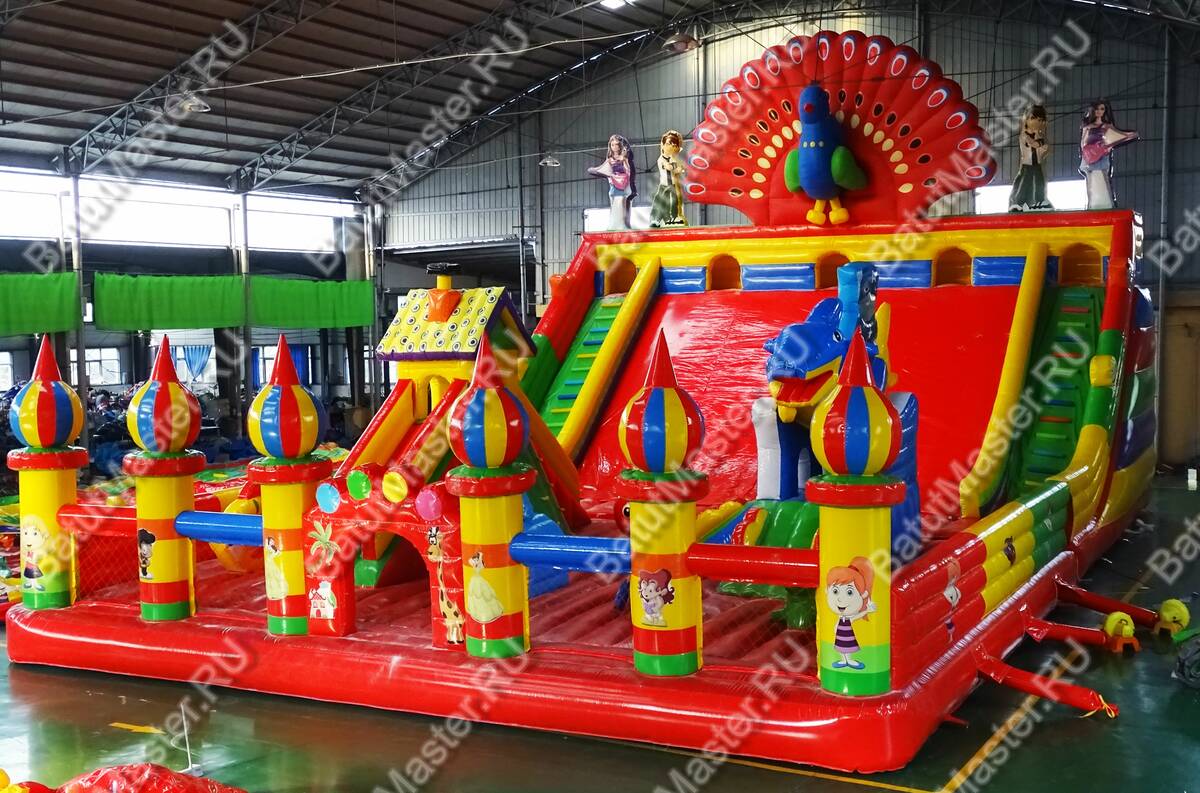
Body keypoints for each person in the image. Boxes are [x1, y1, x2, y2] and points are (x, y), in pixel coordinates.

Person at [1078, 99, 1138, 210]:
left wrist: (1129, 136)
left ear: (1105, 111)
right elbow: (1083, 142)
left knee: (1103, 177)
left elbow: (1116, 138)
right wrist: (1086, 153)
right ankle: (1092, 205)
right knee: (1091, 180)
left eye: (1102, 109)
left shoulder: (1107, 126)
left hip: (1102, 155)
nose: (1099, 111)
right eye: (1097, 109)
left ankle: (1106, 204)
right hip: (1090, 156)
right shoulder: (1087, 126)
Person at [825, 556, 878, 670]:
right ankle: (844, 660)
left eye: (849, 592)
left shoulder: (849, 618)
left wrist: (867, 610)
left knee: (847, 646)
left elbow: (856, 616)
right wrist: (835, 628)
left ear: (862, 595)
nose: (840, 599)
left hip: (846, 634)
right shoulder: (841, 617)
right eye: (835, 591)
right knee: (840, 646)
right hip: (840, 634)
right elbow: (837, 624)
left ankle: (849, 660)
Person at [588, 134, 637, 230]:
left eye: (617, 144)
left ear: (620, 146)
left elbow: (628, 171)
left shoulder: (624, 158)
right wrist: (606, 174)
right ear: (610, 146)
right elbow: (602, 169)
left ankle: (623, 224)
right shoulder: (610, 160)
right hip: (614, 184)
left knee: (622, 204)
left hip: (623, 184)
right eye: (612, 145)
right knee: (614, 204)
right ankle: (614, 225)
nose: (614, 147)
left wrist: (624, 160)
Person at [1009, 105, 1052, 212]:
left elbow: (1042, 148)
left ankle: (1039, 201)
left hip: (1037, 163)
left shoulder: (1038, 136)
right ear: (1027, 120)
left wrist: (1041, 143)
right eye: (1034, 119)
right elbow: (1034, 144)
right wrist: (1040, 142)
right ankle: (1017, 202)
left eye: (1040, 120)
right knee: (1024, 183)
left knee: (1039, 182)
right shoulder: (1024, 135)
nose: (1038, 123)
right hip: (1027, 165)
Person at [650, 130, 687, 227]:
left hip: (673, 185)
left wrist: (681, 168)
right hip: (664, 185)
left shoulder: (672, 158)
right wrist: (677, 167)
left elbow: (678, 169)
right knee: (660, 203)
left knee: (674, 203)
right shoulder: (661, 159)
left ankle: (672, 219)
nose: (671, 147)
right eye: (668, 144)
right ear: (663, 145)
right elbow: (669, 167)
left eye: (674, 145)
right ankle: (656, 220)